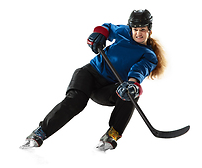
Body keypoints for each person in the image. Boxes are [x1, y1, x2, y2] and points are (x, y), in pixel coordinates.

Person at [20, 10, 167, 151]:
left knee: (131, 94)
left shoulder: (149, 55)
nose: (138, 33)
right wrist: (100, 34)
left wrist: (132, 84)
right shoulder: (123, 32)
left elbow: (139, 70)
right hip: (89, 75)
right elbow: (107, 27)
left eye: (142, 29)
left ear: (149, 30)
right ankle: (40, 133)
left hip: (107, 89)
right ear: (130, 28)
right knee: (75, 102)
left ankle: (111, 136)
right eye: (135, 29)